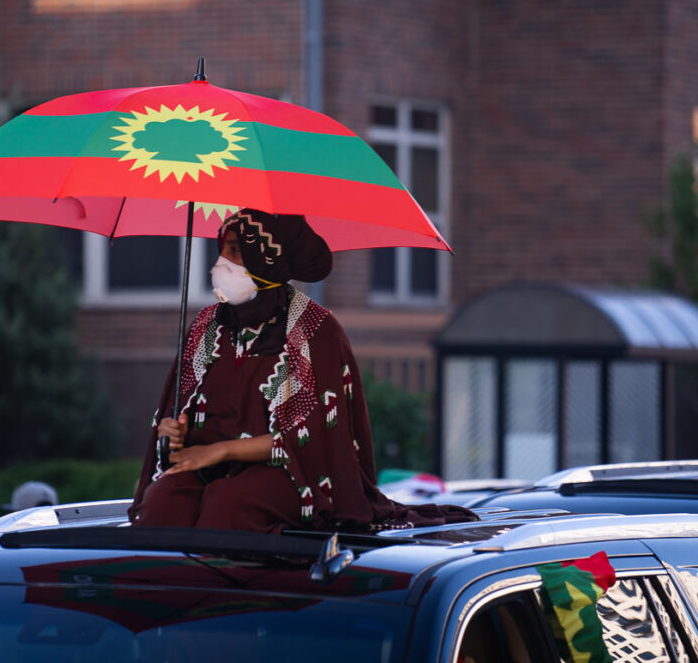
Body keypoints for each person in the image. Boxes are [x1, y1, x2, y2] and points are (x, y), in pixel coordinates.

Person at [129, 208, 476, 532]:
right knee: (162, 502)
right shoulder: (206, 325)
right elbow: (181, 409)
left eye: (235, 252)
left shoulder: (315, 330)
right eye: (223, 250)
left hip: (289, 475)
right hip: (206, 468)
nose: (222, 263)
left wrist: (222, 450)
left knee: (230, 504)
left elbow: (312, 438)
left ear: (267, 259)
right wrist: (173, 429)